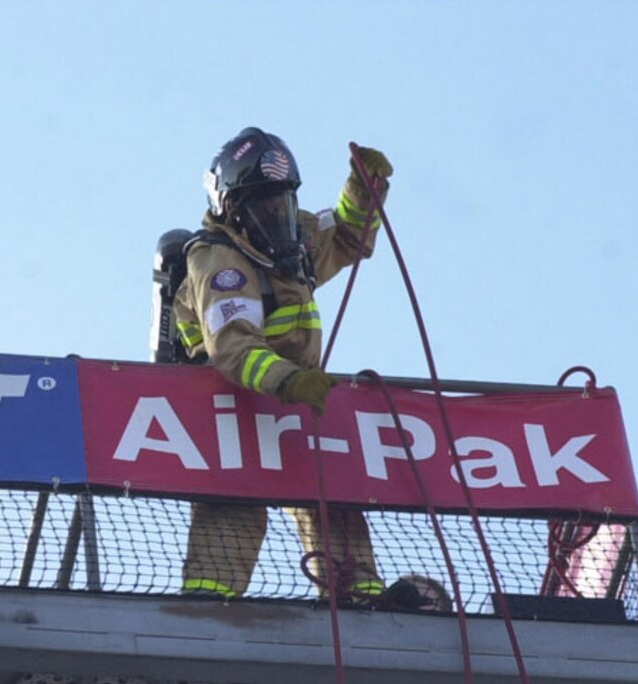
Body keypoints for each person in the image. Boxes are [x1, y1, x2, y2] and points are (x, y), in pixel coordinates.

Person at [173, 128, 439, 611]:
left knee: (333, 495)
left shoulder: (292, 237)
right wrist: (290, 380)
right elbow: (233, 348)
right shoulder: (219, 260)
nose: (276, 215)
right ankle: (204, 610)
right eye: (263, 205)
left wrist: (362, 190)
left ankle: (361, 602)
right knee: (233, 508)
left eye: (282, 201)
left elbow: (346, 236)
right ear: (234, 210)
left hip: (292, 397)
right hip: (230, 401)